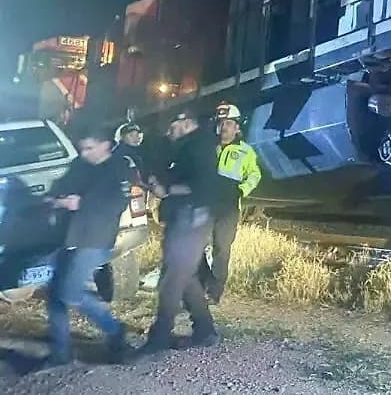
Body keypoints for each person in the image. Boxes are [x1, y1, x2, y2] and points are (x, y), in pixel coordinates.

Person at [43, 126, 137, 366]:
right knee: (55, 295)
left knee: (70, 292)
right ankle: (60, 355)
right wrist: (57, 198)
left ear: (105, 145)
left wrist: (81, 203)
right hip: (68, 236)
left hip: (95, 238)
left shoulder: (118, 168)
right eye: (82, 148)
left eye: (89, 148)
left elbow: (115, 203)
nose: (84, 153)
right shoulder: (80, 165)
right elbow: (60, 186)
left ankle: (114, 330)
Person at [140, 109, 221, 354]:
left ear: (186, 123)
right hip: (182, 216)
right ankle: (205, 330)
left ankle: (160, 337)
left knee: (172, 275)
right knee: (184, 275)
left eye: (171, 127)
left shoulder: (200, 146)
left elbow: (202, 184)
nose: (168, 132)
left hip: (193, 216)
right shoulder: (183, 144)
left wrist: (167, 189)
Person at [197, 102, 261, 304]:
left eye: (228, 123)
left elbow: (254, 174)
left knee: (222, 249)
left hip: (228, 207)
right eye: (220, 123)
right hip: (205, 203)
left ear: (237, 127)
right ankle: (204, 281)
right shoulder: (207, 148)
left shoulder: (246, 151)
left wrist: (241, 190)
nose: (223, 127)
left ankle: (213, 293)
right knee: (195, 246)